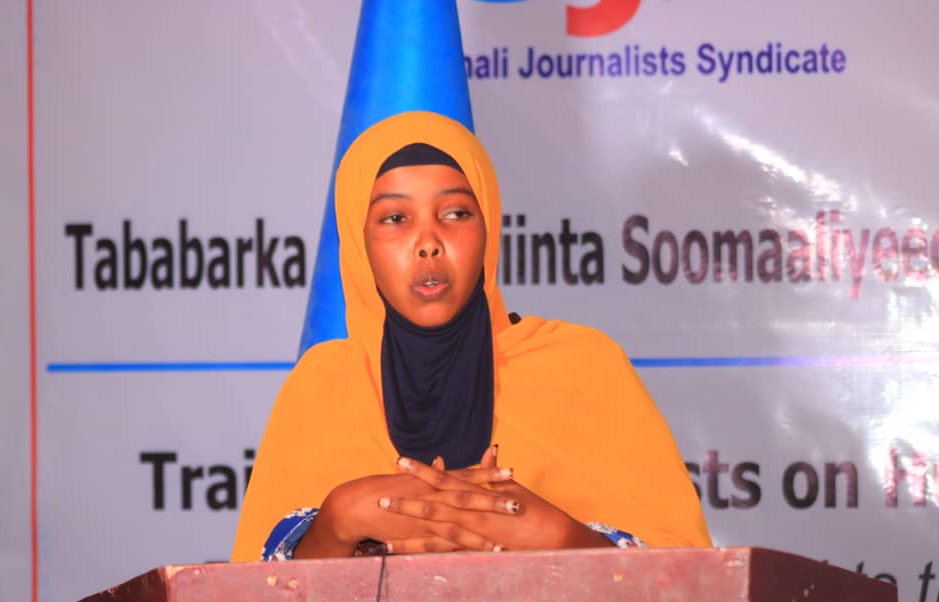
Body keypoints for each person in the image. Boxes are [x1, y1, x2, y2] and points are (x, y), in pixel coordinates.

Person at [231, 111, 710, 562]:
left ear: (489, 227)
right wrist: (337, 523)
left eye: (456, 213)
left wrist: (565, 539)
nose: (428, 241)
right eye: (395, 218)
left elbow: (691, 589)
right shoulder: (322, 384)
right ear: (359, 244)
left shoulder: (583, 367)